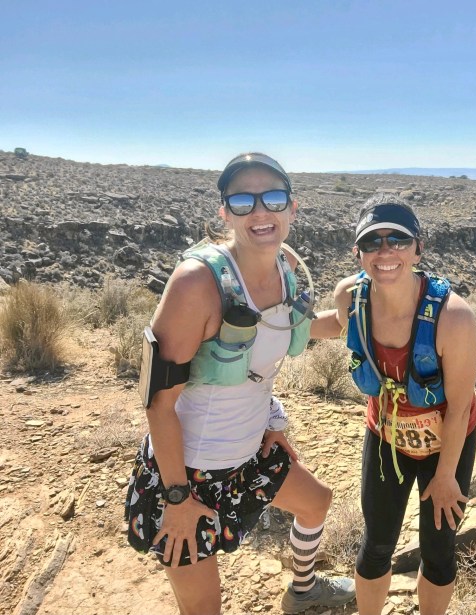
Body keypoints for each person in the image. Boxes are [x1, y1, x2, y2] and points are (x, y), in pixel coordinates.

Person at [124, 153, 355, 615]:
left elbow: (290, 332)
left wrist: (353, 306)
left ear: (292, 208)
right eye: (243, 201)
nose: (260, 211)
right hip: (189, 473)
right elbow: (158, 404)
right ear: (225, 213)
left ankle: (304, 590)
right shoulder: (197, 283)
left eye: (273, 198)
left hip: (249, 454)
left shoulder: (286, 268)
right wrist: (177, 498)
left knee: (316, 503)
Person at [325, 194, 476, 615]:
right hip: (386, 436)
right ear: (358, 252)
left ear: (418, 248)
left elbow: (460, 407)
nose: (385, 251)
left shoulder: (454, 318)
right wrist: (276, 329)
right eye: (372, 242)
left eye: (398, 239)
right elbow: (333, 325)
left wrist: (446, 476)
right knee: (377, 543)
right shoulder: (351, 298)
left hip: (447, 444)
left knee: (439, 549)